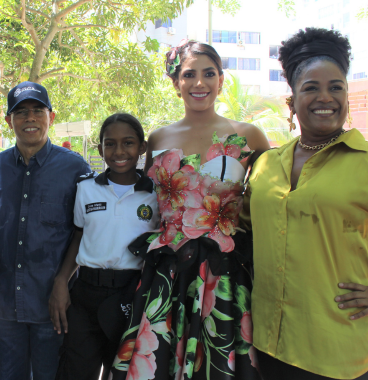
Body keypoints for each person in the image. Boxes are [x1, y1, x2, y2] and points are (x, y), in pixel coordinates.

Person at [244, 27, 368, 380]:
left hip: (341, 349)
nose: (326, 97)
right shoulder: (265, 165)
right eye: (311, 88)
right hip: (269, 343)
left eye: (336, 87)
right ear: (292, 103)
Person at [108, 41, 270, 380]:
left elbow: (269, 200)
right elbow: (148, 202)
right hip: (168, 272)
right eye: (189, 74)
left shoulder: (250, 136)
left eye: (209, 74)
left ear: (221, 80)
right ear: (175, 83)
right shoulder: (158, 138)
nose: (200, 83)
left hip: (224, 272)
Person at [0, 81, 91, 380]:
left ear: (50, 117)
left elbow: (83, 230)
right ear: (9, 121)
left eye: (36, 110)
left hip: (54, 305)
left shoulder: (75, 168)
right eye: (20, 112)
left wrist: (61, 280)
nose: (29, 118)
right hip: (5, 306)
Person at [52, 114, 160, 380]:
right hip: (86, 294)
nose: (119, 151)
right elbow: (79, 236)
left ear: (142, 148)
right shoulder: (86, 189)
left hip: (131, 294)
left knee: (123, 372)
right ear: (100, 149)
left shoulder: (156, 194)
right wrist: (61, 281)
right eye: (110, 144)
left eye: (128, 143)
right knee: (75, 369)